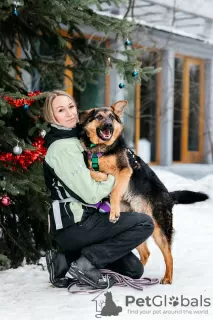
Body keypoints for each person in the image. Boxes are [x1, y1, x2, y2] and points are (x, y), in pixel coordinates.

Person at [43, 90, 154, 289]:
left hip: (91, 221)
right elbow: (90, 194)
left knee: (133, 270)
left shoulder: (79, 138)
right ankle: (86, 263)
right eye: (61, 110)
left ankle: (66, 259)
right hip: (74, 224)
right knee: (144, 224)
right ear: (52, 117)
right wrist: (113, 177)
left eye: (71, 107)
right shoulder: (61, 148)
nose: (69, 114)